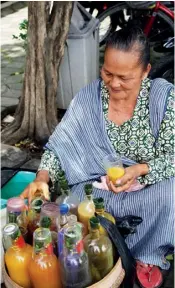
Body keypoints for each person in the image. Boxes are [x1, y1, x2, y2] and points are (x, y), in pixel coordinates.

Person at [20, 26, 174, 288]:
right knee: (73, 202)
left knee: (170, 196)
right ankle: (98, 248)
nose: (114, 83)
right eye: (107, 73)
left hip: (148, 186)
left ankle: (148, 254)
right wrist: (42, 177)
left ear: (146, 71)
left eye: (124, 77)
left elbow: (173, 157)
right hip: (100, 187)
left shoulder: (164, 99)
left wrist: (139, 170)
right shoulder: (89, 98)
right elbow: (61, 145)